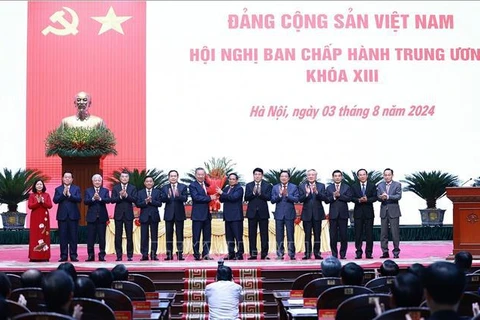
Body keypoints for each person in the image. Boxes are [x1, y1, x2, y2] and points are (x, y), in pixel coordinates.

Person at [298, 169, 328, 260]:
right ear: (307, 176)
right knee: (307, 235)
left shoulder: (321, 186)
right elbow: (300, 199)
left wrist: (317, 192)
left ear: (316, 176)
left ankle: (317, 253)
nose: (311, 176)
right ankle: (307, 253)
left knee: (317, 234)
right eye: (309, 175)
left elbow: (325, 198)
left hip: (317, 214)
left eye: (313, 175)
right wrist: (307, 194)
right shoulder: (302, 186)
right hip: (306, 214)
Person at [244, 168, 272, 260]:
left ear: (262, 175)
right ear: (253, 175)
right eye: (255, 174)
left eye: (259, 174)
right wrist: (253, 193)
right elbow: (246, 197)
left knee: (264, 234)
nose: (257, 176)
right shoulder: (249, 185)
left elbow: (269, 198)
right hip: (252, 213)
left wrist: (260, 194)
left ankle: (264, 254)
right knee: (252, 234)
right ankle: (253, 254)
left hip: (263, 213)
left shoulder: (267, 185)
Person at [53, 171, 82, 262]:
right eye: (65, 177)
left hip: (73, 216)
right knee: (63, 237)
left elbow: (79, 199)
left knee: (74, 237)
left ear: (72, 179)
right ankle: (63, 256)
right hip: (62, 216)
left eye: (69, 177)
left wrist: (70, 195)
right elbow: (55, 200)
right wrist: (63, 194)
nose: (67, 179)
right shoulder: (58, 189)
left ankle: (73, 255)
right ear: (62, 178)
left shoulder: (76, 188)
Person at [160, 170, 188, 261]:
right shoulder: (164, 187)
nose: (173, 177)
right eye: (171, 176)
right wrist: (167, 197)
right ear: (168, 177)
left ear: (177, 177)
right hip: (169, 214)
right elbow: (162, 199)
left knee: (180, 234)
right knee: (169, 235)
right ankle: (169, 254)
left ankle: (180, 254)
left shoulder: (183, 187)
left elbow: (185, 198)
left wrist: (178, 195)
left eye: (174, 176)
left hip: (179, 214)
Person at [271, 170, 299, 260]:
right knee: (279, 235)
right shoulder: (275, 187)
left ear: (288, 178)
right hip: (279, 214)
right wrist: (279, 195)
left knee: (290, 235)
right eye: (282, 176)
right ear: (280, 178)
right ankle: (280, 254)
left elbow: (296, 199)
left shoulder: (294, 187)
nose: (283, 178)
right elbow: (272, 200)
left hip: (289, 214)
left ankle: (291, 254)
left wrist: (287, 195)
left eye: (285, 176)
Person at [190, 167, 217, 261]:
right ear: (195, 175)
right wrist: (210, 198)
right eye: (199, 174)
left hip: (207, 215)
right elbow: (196, 197)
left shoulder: (208, 184)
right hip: (197, 215)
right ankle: (196, 255)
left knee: (207, 236)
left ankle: (206, 254)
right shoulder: (192, 185)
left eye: (202, 174)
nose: (201, 176)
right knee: (196, 236)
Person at [111, 170, 137, 262]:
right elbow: (112, 200)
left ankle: (130, 255)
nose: (124, 178)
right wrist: (120, 197)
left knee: (129, 235)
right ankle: (119, 255)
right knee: (118, 236)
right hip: (118, 215)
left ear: (128, 178)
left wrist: (126, 195)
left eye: (126, 177)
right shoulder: (116, 188)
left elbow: (135, 199)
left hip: (129, 215)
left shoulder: (132, 188)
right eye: (123, 177)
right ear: (120, 178)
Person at [350, 169, 377, 259]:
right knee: (358, 234)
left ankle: (369, 253)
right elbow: (351, 198)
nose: (362, 176)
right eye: (360, 175)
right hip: (358, 213)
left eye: (364, 174)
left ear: (367, 175)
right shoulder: (354, 186)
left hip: (369, 213)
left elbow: (375, 197)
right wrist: (358, 200)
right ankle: (358, 252)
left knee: (369, 234)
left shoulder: (372, 186)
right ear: (358, 177)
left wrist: (367, 200)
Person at [326, 170, 352, 259]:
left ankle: (343, 254)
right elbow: (326, 200)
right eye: (335, 176)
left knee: (343, 235)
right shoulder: (329, 188)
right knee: (333, 236)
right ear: (333, 177)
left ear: (341, 177)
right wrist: (333, 197)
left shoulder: (346, 187)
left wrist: (339, 195)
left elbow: (349, 198)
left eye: (339, 176)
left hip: (343, 215)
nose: (337, 177)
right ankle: (334, 254)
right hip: (333, 215)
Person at [84, 174, 110, 262]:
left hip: (102, 217)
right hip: (91, 218)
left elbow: (108, 200)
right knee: (90, 238)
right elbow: (85, 202)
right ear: (93, 181)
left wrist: (100, 199)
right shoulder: (88, 190)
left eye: (99, 180)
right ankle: (90, 255)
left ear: (101, 181)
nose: (97, 182)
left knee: (102, 238)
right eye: (95, 180)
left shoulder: (105, 190)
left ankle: (102, 255)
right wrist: (92, 199)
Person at [218, 173, 245, 260]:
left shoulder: (239, 189)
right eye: (230, 179)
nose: (231, 180)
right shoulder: (226, 188)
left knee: (238, 236)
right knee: (229, 237)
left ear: (237, 180)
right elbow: (221, 199)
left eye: (233, 179)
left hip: (236, 216)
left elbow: (234, 197)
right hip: (227, 216)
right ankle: (231, 253)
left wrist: (223, 193)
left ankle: (240, 253)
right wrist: (224, 194)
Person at [377, 168, 402, 259]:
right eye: (385, 175)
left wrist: (388, 196)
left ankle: (396, 252)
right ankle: (385, 252)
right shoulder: (380, 185)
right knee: (383, 233)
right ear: (383, 176)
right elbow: (378, 197)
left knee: (395, 233)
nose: (387, 177)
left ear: (392, 175)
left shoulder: (397, 185)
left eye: (389, 175)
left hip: (394, 211)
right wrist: (381, 197)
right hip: (384, 211)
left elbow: (398, 196)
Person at [136, 176, 162, 261]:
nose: (149, 183)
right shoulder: (140, 192)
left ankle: (154, 254)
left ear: (153, 183)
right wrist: (146, 202)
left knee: (154, 236)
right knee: (144, 237)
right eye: (147, 181)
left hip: (154, 217)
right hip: (144, 217)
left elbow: (159, 204)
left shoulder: (157, 192)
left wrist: (151, 201)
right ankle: (144, 255)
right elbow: (138, 204)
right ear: (144, 183)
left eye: (150, 181)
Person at [27, 179, 53, 262]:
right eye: (37, 184)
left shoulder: (46, 195)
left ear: (43, 186)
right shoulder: (32, 195)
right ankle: (34, 256)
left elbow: (50, 205)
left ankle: (45, 256)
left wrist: (43, 202)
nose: (39, 186)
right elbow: (30, 206)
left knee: (44, 235)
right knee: (35, 235)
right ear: (35, 186)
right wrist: (38, 202)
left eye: (41, 184)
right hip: (35, 217)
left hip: (44, 218)